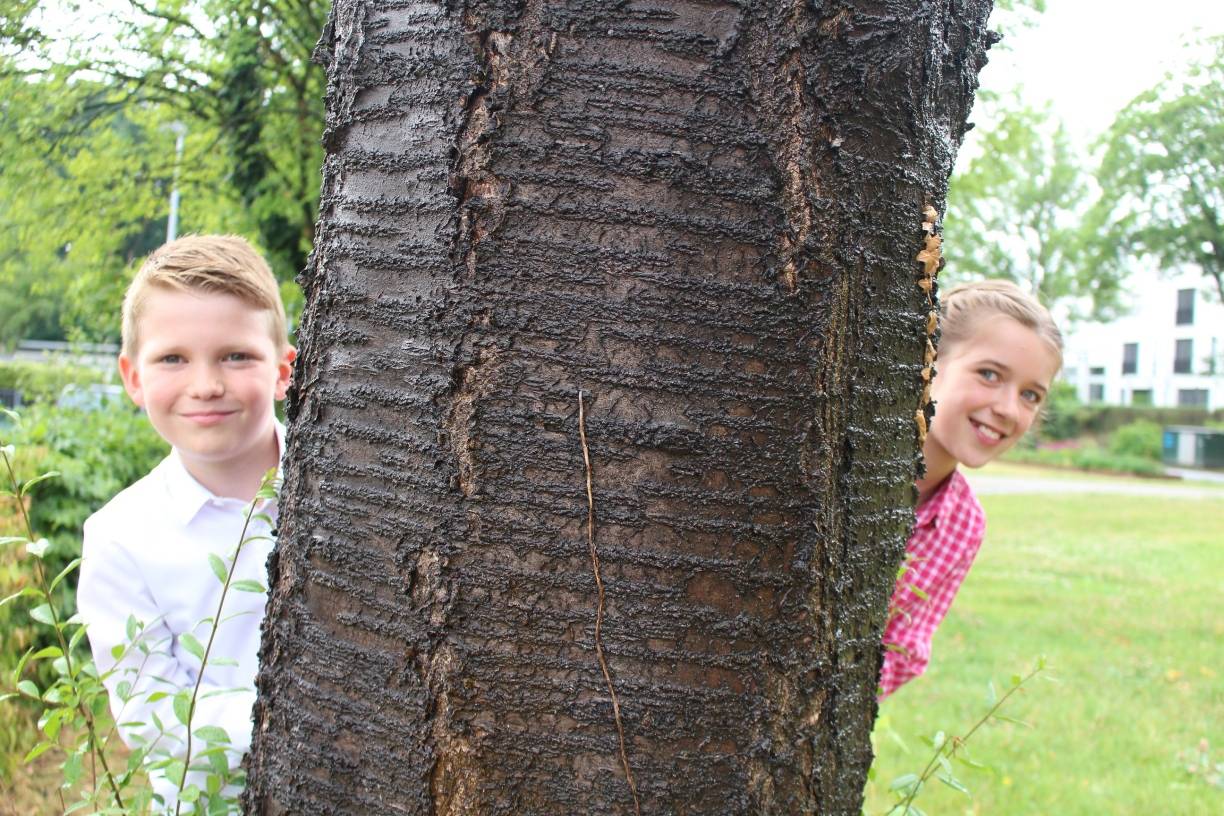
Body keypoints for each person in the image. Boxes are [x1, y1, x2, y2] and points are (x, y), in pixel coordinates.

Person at [76, 235, 295, 807]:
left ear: (283, 369)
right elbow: (155, 721)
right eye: (173, 358)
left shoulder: (353, 492)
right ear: (132, 378)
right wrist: (312, 717)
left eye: (236, 355)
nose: (206, 384)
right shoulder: (120, 537)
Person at [878, 280, 1062, 698]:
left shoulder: (964, 524)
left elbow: (904, 651)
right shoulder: (837, 462)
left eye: (1030, 395)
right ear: (930, 358)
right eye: (989, 374)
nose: (1008, 409)